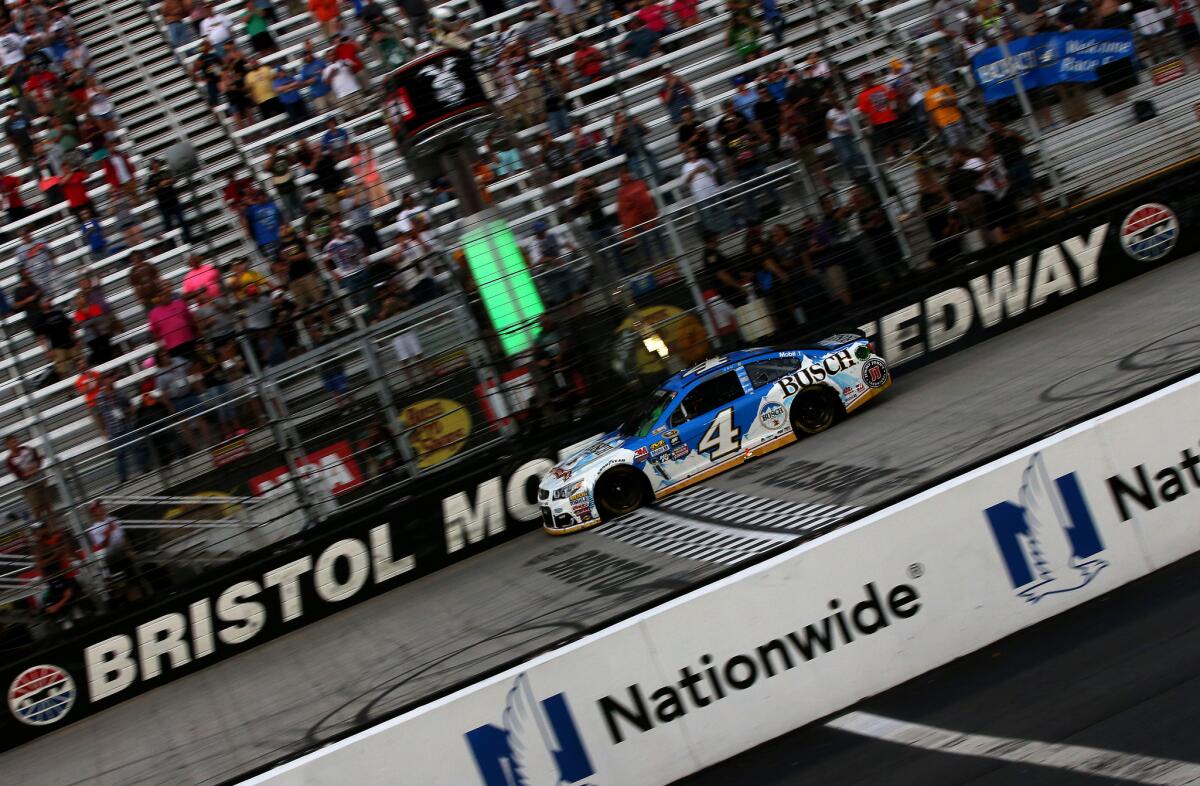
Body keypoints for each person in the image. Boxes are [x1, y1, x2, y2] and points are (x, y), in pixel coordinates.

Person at [6, 436, 55, 524]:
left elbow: (38, 459)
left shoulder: (27, 449)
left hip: (40, 479)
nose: (15, 444)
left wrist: (37, 465)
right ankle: (41, 531)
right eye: (12, 443)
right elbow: (21, 476)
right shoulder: (10, 461)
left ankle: (54, 526)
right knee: (37, 508)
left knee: (48, 505)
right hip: (29, 486)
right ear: (8, 446)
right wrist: (33, 471)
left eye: (15, 441)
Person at [682, 146, 729, 233]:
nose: (692, 152)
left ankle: (728, 228)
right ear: (686, 155)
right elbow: (686, 181)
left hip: (713, 190)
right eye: (689, 152)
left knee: (722, 210)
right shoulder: (685, 167)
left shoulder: (704, 160)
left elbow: (714, 171)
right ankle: (713, 233)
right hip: (700, 195)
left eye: (693, 150)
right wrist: (695, 171)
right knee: (707, 215)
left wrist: (707, 171)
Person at [147, 159, 192, 244]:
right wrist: (159, 186)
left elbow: (175, 179)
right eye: (154, 163)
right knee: (168, 227)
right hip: (163, 205)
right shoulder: (151, 178)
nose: (156, 165)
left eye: (156, 163)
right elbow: (149, 191)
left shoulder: (166, 172)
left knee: (183, 222)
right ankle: (172, 244)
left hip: (174, 201)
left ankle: (188, 240)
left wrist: (167, 181)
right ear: (151, 166)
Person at [148, 289, 199, 358]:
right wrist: (163, 349)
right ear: (157, 298)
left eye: (165, 294)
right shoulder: (153, 313)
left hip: (189, 340)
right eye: (161, 295)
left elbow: (191, 320)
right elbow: (154, 334)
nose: (165, 296)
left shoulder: (180, 303)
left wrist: (197, 335)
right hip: (172, 348)